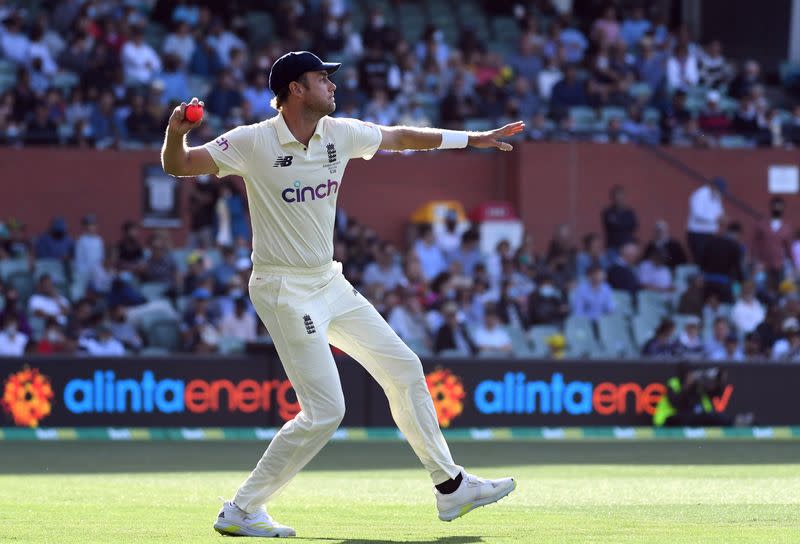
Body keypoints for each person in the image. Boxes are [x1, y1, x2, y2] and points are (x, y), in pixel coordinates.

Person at [160, 51, 520, 537]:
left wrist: (472, 139)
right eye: (321, 78)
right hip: (283, 288)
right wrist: (177, 132)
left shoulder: (340, 133)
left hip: (329, 281)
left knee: (404, 367)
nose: (332, 85)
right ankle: (241, 509)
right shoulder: (253, 141)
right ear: (295, 90)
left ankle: (450, 487)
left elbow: (400, 137)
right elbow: (178, 166)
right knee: (326, 412)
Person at [686, 178, 725, 263]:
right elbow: (697, 214)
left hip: (710, 234)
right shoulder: (700, 194)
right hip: (697, 233)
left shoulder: (717, 197)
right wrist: (715, 219)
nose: (720, 193)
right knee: (700, 260)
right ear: (713, 187)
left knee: (710, 259)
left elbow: (720, 212)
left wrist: (722, 218)